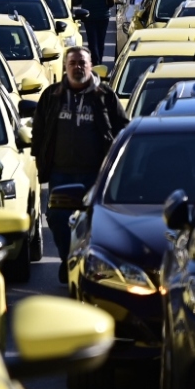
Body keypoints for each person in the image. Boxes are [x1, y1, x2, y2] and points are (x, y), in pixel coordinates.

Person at [32, 46, 129, 282]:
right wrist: (40, 159)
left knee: (95, 223)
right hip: (61, 174)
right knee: (57, 219)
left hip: (96, 175)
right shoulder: (51, 95)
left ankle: (90, 266)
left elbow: (123, 128)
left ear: (91, 65)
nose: (78, 67)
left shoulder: (105, 96)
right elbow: (39, 130)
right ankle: (69, 260)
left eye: (82, 63)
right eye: (73, 63)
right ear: (65, 67)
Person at [72, 0, 112, 65]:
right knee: (101, 40)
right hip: (104, 15)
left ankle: (95, 62)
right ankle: (100, 62)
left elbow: (77, 0)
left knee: (92, 41)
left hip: (88, 15)